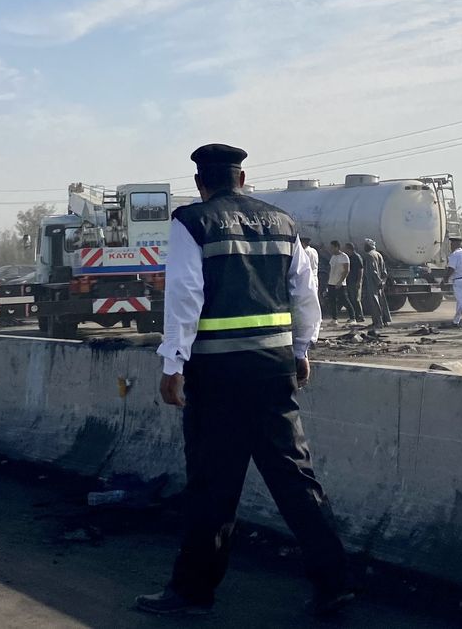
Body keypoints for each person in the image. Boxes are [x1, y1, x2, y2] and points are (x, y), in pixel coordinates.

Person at [141, 143, 350, 617]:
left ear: (201, 183)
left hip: (216, 376)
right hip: (273, 370)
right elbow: (305, 292)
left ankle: (193, 593)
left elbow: (185, 295)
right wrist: (301, 349)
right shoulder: (283, 222)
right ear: (242, 177)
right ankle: (334, 583)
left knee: (213, 487)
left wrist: (173, 362)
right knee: (296, 480)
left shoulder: (192, 222)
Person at [362, 239, 387, 331]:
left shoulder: (369, 256)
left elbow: (373, 271)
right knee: (380, 302)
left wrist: (378, 281)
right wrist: (383, 281)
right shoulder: (378, 254)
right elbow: (384, 271)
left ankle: (377, 322)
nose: (364, 247)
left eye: (365, 245)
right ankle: (382, 321)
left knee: (374, 303)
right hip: (379, 282)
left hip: (372, 282)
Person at [326, 240, 351, 323]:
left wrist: (341, 281)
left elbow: (346, 270)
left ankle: (353, 317)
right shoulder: (333, 257)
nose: (331, 249)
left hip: (340, 283)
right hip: (331, 282)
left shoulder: (344, 256)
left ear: (337, 247)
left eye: (332, 248)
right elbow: (331, 269)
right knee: (332, 301)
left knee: (344, 300)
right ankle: (334, 318)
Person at [343, 242, 365, 323]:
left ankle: (360, 316)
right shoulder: (350, 257)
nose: (345, 250)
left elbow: (361, 270)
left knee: (356, 299)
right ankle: (355, 316)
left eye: (346, 249)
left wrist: (359, 281)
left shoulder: (356, 257)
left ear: (350, 249)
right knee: (352, 299)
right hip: (350, 281)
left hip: (355, 281)